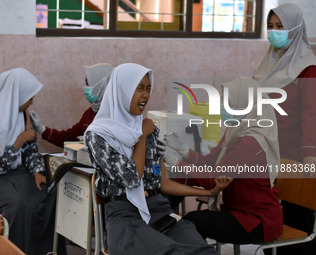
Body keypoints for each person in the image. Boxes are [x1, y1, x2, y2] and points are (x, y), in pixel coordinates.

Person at [84, 63, 231, 255]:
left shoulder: (148, 128)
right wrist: (142, 137)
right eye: (139, 88)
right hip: (125, 216)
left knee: (202, 251)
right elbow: (131, 177)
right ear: (122, 90)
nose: (145, 95)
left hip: (158, 211)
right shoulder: (99, 135)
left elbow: (164, 183)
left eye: (148, 89)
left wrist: (210, 192)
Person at [158, 77, 283, 245]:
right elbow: (211, 161)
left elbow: (212, 179)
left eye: (230, 103)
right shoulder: (237, 128)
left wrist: (175, 162)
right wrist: (183, 151)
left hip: (256, 221)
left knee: (192, 222)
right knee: (180, 187)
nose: (224, 107)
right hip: (240, 211)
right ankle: (157, 226)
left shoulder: (251, 142)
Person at [0, 68, 65, 255]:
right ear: (15, 95)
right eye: (29, 97)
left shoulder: (21, 114)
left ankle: (47, 252)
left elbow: (31, 150)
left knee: (51, 193)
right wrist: (18, 142)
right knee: (19, 206)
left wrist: (37, 172)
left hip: (22, 175)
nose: (31, 102)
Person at [253, 3, 316, 254]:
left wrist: (310, 154)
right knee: (271, 218)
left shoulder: (307, 67)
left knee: (295, 218)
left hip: (294, 155)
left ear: (296, 29)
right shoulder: (268, 63)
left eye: (280, 26)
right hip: (266, 152)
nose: (273, 31)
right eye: (270, 26)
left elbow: (312, 113)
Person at [30, 63, 113, 147]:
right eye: (86, 83)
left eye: (88, 83)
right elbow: (69, 137)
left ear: (100, 85)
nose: (86, 88)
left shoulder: (114, 115)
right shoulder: (90, 112)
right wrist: (42, 129)